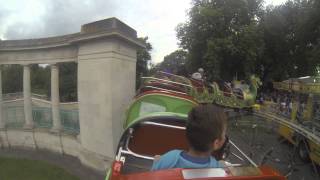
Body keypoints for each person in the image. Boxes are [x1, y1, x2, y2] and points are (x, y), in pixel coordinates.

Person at [151, 104, 227, 171]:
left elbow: (153, 175)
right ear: (216, 143)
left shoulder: (169, 159)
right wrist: (222, 166)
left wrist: (157, 163)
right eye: (224, 133)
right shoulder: (218, 169)